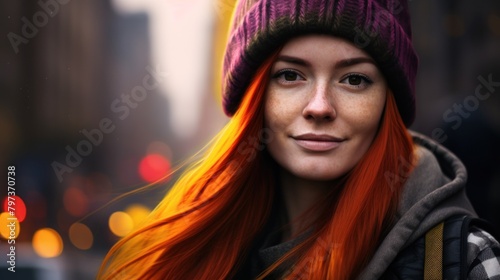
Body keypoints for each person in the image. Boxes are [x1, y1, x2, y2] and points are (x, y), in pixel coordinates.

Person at [99, 0, 500, 279]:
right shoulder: (194, 257)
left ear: (387, 104)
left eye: (354, 79)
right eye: (290, 75)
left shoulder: (465, 259)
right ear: (253, 100)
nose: (320, 106)